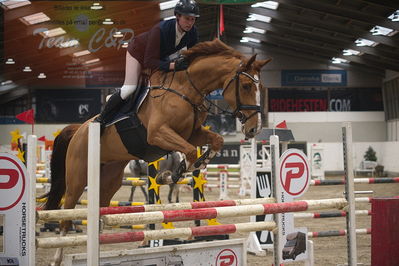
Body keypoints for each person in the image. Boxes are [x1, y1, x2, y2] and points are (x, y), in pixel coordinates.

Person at [94, 0, 200, 128]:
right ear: (177, 16)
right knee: (129, 88)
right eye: (187, 19)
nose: (190, 23)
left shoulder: (193, 32)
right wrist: (174, 66)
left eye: (193, 19)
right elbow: (149, 61)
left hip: (159, 56)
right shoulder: (160, 30)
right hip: (138, 53)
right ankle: (102, 119)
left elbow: (193, 54)